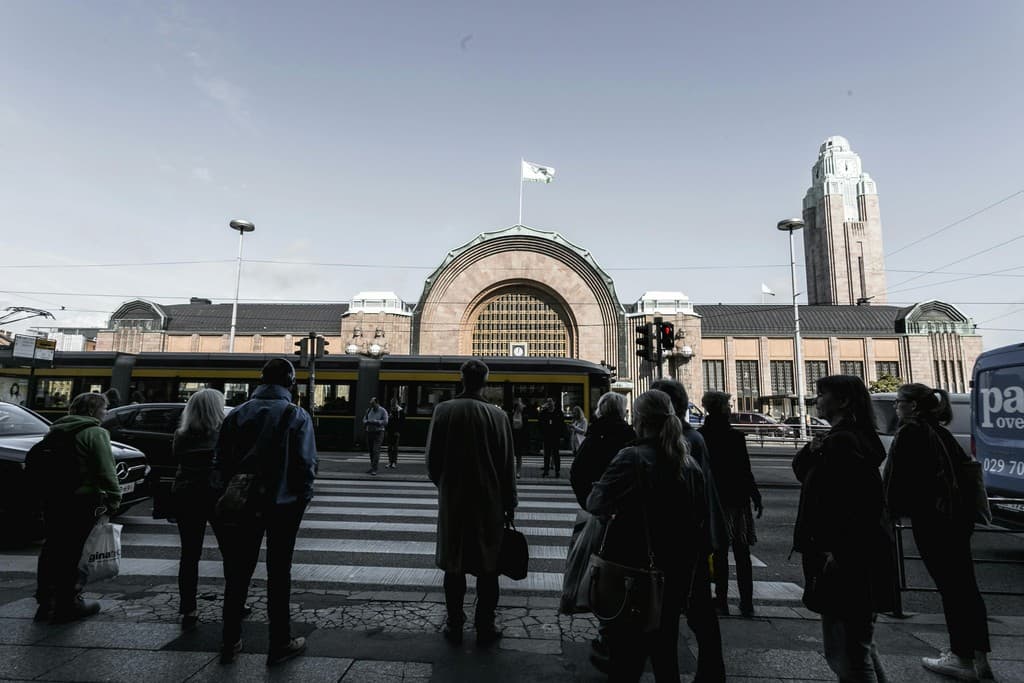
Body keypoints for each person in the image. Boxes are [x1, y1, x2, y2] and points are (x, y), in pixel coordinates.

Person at [587, 389, 708, 682]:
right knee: (666, 653)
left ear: (639, 420)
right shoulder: (689, 464)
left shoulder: (632, 458)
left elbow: (595, 503)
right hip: (675, 572)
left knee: (626, 658)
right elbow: (699, 521)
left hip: (633, 570)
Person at [884, 383, 993, 681]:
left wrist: (889, 512)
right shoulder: (940, 432)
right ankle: (979, 656)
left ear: (912, 406)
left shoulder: (910, 432)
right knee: (965, 587)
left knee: (951, 589)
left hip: (933, 520)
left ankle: (961, 657)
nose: (896, 406)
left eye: (898, 401)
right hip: (957, 519)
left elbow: (897, 481)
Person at [213, 358, 318, 666]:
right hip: (283, 504)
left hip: (243, 501)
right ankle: (279, 642)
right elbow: (306, 464)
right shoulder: (296, 415)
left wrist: (228, 493)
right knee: (279, 572)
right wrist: (303, 496)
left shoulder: (237, 413)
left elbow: (221, 460)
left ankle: (229, 641)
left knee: (238, 571)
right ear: (290, 383)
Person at [792, 375, 893, 682]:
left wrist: (837, 552)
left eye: (822, 394)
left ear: (843, 401)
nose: (816, 400)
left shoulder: (843, 442)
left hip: (845, 560)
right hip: (855, 555)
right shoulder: (850, 437)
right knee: (859, 647)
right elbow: (806, 474)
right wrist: (813, 450)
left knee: (848, 653)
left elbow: (856, 504)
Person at [426, 359, 517, 647]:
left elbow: (432, 461)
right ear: (485, 383)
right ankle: (485, 624)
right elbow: (507, 465)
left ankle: (454, 622)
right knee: (488, 567)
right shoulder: (498, 416)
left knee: (454, 565)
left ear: (461, 379)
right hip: (489, 503)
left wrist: (446, 486)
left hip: (453, 501)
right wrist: (510, 502)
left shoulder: (443, 411)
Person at [651, 378, 726, 682]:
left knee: (668, 619)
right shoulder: (695, 437)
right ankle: (712, 672)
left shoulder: (681, 442)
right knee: (699, 614)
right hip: (695, 541)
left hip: (679, 544)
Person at [32, 392, 121, 623]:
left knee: (52, 548)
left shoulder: (56, 430)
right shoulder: (95, 432)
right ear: (93, 411)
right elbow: (106, 470)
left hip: (53, 499)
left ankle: (45, 602)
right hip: (81, 500)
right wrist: (114, 498)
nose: (106, 413)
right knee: (73, 552)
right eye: (104, 409)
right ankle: (67, 603)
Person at [566, 391, 636, 663]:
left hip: (601, 515)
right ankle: (620, 629)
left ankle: (607, 631)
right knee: (624, 573)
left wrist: (590, 504)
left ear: (601, 410)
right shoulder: (630, 436)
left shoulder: (595, 435)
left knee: (601, 572)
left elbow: (576, 473)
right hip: (626, 519)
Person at [699, 390, 763, 618]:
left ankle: (721, 600)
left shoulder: (702, 436)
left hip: (716, 501)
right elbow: (745, 470)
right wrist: (755, 495)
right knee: (742, 553)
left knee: (719, 553)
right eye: (728, 405)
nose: (730, 408)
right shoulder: (735, 437)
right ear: (722, 408)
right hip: (737, 500)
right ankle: (746, 602)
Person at [172, 388, 226, 630]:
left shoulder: (181, 434)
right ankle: (235, 601)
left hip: (186, 495)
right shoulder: (224, 433)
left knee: (189, 554)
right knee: (230, 551)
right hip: (216, 495)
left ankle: (188, 607)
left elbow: (176, 458)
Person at [539, 398, 565, 477]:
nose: (549, 403)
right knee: (546, 454)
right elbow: (540, 422)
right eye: (548, 402)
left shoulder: (558, 412)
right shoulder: (544, 412)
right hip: (547, 436)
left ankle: (557, 471)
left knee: (556, 454)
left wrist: (561, 436)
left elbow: (562, 425)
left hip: (555, 436)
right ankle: (546, 470)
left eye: (550, 401)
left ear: (554, 402)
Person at [362, 396, 388, 475]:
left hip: (378, 432)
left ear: (377, 403)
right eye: (371, 404)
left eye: (373, 404)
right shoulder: (369, 410)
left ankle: (374, 469)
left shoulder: (383, 411)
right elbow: (364, 419)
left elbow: (386, 421)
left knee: (375, 450)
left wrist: (377, 422)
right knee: (371, 451)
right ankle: (372, 467)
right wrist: (366, 422)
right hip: (370, 432)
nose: (372, 405)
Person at [385, 397, 404, 469]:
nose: (392, 405)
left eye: (393, 403)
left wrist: (398, 431)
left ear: (396, 403)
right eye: (391, 403)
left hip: (396, 431)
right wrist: (386, 430)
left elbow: (401, 422)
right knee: (389, 447)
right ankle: (390, 461)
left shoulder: (400, 411)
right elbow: (387, 421)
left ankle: (394, 462)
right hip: (390, 431)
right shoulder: (389, 410)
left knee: (395, 448)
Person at [510, 398, 527, 479]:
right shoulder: (511, 415)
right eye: (521, 406)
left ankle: (518, 472)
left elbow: (526, 429)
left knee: (519, 456)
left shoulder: (524, 416)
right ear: (517, 407)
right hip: (512, 436)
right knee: (510, 455)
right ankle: (511, 471)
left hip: (520, 436)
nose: (522, 407)